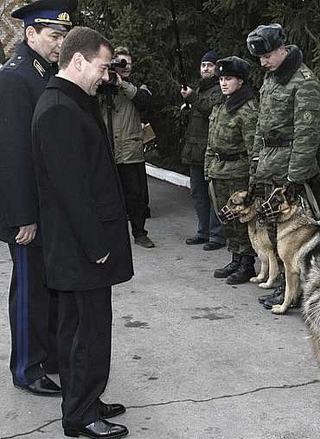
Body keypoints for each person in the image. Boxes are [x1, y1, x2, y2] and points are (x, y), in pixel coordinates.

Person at [31, 26, 133, 438]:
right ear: (78, 61)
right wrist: (97, 247)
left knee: (83, 330)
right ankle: (80, 415)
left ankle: (86, 396)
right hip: (82, 250)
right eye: (103, 68)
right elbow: (72, 192)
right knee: (85, 334)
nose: (106, 76)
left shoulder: (71, 102)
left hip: (81, 249)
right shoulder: (58, 108)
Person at [0, 0, 78, 397]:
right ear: (30, 35)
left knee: (51, 288)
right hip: (29, 214)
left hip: (52, 210)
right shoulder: (14, 78)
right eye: (54, 36)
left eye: (65, 36)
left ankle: (50, 358)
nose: (60, 43)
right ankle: (27, 367)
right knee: (31, 291)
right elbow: (13, 154)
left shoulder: (46, 73)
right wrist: (22, 217)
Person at [246, 23, 320, 308]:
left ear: (282, 48)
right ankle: (283, 286)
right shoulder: (271, 79)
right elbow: (261, 127)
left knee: (295, 236)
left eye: (267, 55)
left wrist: (295, 177)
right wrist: (256, 160)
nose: (263, 62)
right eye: (260, 58)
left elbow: (307, 134)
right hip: (269, 165)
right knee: (273, 233)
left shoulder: (303, 81)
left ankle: (299, 290)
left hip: (289, 170)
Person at [205, 56, 258, 284]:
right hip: (219, 169)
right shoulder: (220, 105)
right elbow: (211, 141)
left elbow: (253, 146)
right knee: (225, 218)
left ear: (241, 81)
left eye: (228, 79)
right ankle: (235, 257)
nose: (223, 83)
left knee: (240, 219)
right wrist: (208, 168)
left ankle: (246, 263)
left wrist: (253, 179)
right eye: (221, 79)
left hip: (238, 171)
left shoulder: (247, 109)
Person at [100, 45, 155, 249]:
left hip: (130, 151)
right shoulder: (102, 85)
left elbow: (145, 102)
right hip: (108, 150)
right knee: (108, 196)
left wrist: (122, 83)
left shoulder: (138, 86)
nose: (124, 67)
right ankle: (111, 236)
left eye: (127, 64)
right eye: (119, 63)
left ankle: (140, 233)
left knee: (136, 197)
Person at [181, 50, 226, 251]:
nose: (205, 68)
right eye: (203, 65)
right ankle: (203, 231)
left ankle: (217, 236)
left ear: (217, 68)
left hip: (210, 150)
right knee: (198, 193)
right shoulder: (199, 89)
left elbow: (212, 110)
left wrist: (193, 98)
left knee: (213, 194)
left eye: (209, 65)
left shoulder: (219, 90)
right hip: (194, 151)